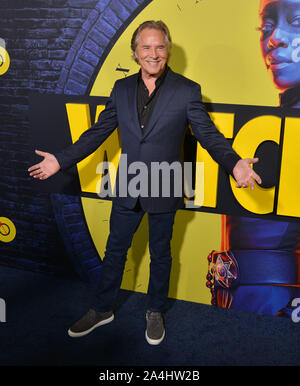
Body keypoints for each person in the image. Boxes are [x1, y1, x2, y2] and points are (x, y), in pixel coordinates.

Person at [28, 20, 261, 345]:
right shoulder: (121, 89)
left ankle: (155, 311)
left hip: (166, 187)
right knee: (114, 252)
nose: (153, 53)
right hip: (128, 186)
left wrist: (235, 164)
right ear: (136, 53)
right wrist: (60, 159)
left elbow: (207, 134)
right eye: (146, 47)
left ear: (167, 50)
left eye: (160, 47)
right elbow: (97, 133)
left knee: (161, 253)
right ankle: (101, 309)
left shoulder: (187, 90)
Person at [216, 0, 300, 316]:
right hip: (240, 314)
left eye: (296, 19)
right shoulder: (269, 129)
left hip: (278, 322)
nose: (274, 37)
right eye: (266, 25)